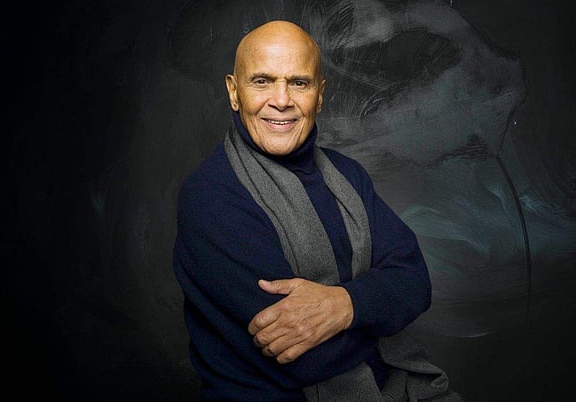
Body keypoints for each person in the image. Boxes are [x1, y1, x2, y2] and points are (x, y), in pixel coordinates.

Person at [173, 20, 449, 401]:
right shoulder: (211, 197)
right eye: (262, 81)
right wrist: (381, 312)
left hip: (391, 389)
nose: (281, 100)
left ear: (319, 95)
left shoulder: (349, 176)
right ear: (234, 92)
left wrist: (345, 305)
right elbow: (306, 358)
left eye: (299, 83)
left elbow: (416, 281)